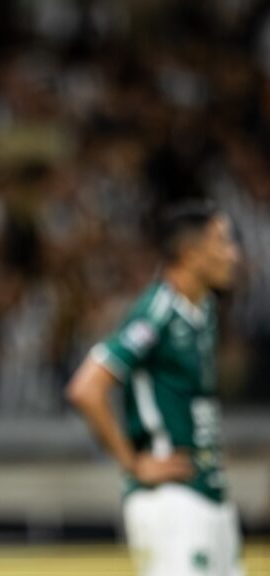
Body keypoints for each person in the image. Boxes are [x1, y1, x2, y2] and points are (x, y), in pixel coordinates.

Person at [66, 201, 245, 576]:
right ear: (191, 253)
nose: (234, 254)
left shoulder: (203, 310)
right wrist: (133, 464)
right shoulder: (157, 313)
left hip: (209, 492)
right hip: (173, 501)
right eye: (222, 242)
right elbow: (86, 388)